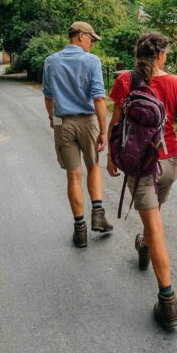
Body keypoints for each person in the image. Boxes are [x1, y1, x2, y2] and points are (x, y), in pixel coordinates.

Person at [106, 32, 177, 329]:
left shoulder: (125, 81)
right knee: (154, 219)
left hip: (141, 164)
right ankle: (144, 244)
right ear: (162, 55)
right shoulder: (175, 84)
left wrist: (109, 156)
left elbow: (116, 123)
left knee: (155, 228)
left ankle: (168, 303)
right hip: (170, 162)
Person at [42, 21, 113, 248]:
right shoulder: (91, 61)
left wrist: (53, 119)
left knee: (73, 175)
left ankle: (80, 230)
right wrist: (103, 131)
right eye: (91, 39)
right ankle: (98, 215)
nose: (91, 43)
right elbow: (99, 98)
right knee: (93, 167)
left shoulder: (51, 61)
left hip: (64, 123)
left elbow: (48, 95)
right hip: (88, 121)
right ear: (80, 36)